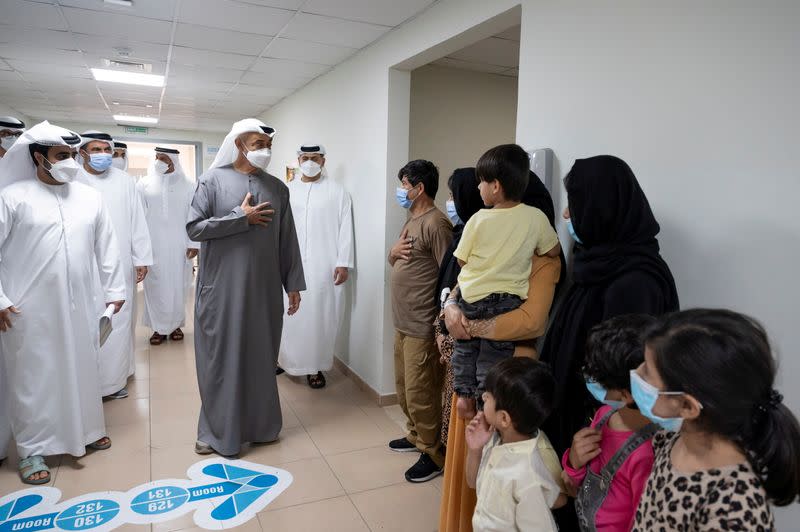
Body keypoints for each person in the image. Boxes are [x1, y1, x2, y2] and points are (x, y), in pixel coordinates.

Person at [0, 121, 126, 484]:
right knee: (33, 378)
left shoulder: (89, 197)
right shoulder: (13, 197)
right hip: (28, 308)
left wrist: (115, 291)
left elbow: (108, 245)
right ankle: (32, 448)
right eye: (62, 155)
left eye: (73, 154)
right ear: (39, 157)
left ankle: (86, 431)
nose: (71, 161)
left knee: (82, 368)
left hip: (82, 303)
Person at [439, 169, 564, 532]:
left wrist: (465, 326)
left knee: (501, 473)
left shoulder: (542, 260)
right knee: (479, 462)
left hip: (505, 379)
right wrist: (451, 307)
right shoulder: (488, 231)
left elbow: (530, 322)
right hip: (481, 380)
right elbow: (463, 280)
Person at [187, 118, 305, 457]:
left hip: (264, 290)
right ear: (239, 144)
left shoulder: (278, 189)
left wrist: (292, 283)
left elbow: (287, 239)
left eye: (268, 145)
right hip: (221, 290)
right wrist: (240, 218)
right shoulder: (211, 181)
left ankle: (261, 426)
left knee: (260, 357)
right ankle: (214, 432)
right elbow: (195, 228)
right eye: (257, 145)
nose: (264, 151)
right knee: (220, 360)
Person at [632, 309, 800, 530]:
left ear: (687, 406)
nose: (636, 372)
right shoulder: (675, 438)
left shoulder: (734, 509)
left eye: (646, 373)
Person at [451, 144, 560, 422]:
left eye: (481, 182)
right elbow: (553, 250)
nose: (478, 189)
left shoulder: (477, 219)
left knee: (465, 348)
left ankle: (463, 395)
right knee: (493, 357)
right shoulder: (536, 218)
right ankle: (485, 399)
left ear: (495, 186)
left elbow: (462, 261)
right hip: (507, 302)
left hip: (472, 299)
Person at [561, 315, 658, 532]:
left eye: (600, 375)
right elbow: (575, 484)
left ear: (626, 394)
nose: (591, 377)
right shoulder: (605, 414)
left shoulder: (646, 454)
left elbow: (641, 522)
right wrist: (574, 463)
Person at [387, 159, 452, 483]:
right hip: (402, 321)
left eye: (403, 185)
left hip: (422, 325)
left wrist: (440, 326)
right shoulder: (411, 219)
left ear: (419, 188)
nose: (400, 191)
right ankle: (416, 436)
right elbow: (396, 258)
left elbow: (450, 274)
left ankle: (433, 453)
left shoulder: (437, 223)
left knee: (421, 392)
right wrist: (392, 252)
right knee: (404, 389)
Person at [76, 131, 153, 400]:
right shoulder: (71, 178)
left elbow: (137, 222)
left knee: (118, 320)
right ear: (82, 151)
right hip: (82, 264)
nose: (103, 155)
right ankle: (86, 382)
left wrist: (141, 258)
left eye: (106, 149)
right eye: (96, 149)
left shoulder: (124, 181)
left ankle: (115, 379)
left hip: (119, 262)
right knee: (84, 321)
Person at [278, 144, 354, 388]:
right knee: (290, 316)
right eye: (305, 158)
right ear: (298, 160)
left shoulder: (338, 191)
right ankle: (285, 360)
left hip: (324, 265)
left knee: (320, 317)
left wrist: (344, 262)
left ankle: (315, 368)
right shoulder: (287, 191)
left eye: (314, 158)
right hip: (290, 263)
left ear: (323, 160)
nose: (309, 162)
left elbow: (345, 230)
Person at [466, 357, 560, 531]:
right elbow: (473, 483)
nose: (483, 396)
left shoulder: (528, 475)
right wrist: (475, 449)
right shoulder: (495, 438)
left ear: (504, 418)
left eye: (488, 396)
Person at [138, 147, 199, 346]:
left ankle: (175, 325)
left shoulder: (189, 185)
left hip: (180, 244)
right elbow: (138, 218)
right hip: (152, 245)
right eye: (156, 158)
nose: (159, 162)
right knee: (154, 286)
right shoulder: (144, 184)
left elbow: (195, 215)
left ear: (173, 160)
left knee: (179, 286)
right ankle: (158, 327)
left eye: (163, 158)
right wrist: (140, 248)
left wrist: (194, 243)